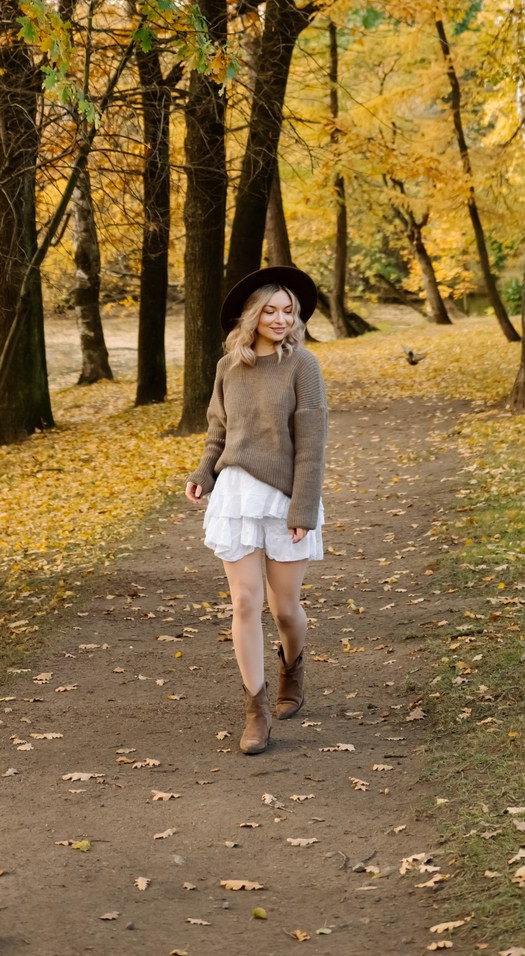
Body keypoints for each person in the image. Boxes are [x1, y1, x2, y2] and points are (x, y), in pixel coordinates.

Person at [185, 265, 328, 756]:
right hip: (237, 496)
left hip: (286, 498)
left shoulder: (303, 365)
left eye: (288, 311)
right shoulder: (229, 368)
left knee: (284, 609)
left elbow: (312, 445)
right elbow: (218, 432)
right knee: (245, 602)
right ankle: (257, 710)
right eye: (270, 311)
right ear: (251, 315)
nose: (281, 319)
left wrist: (303, 508)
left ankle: (293, 667)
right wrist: (204, 473)